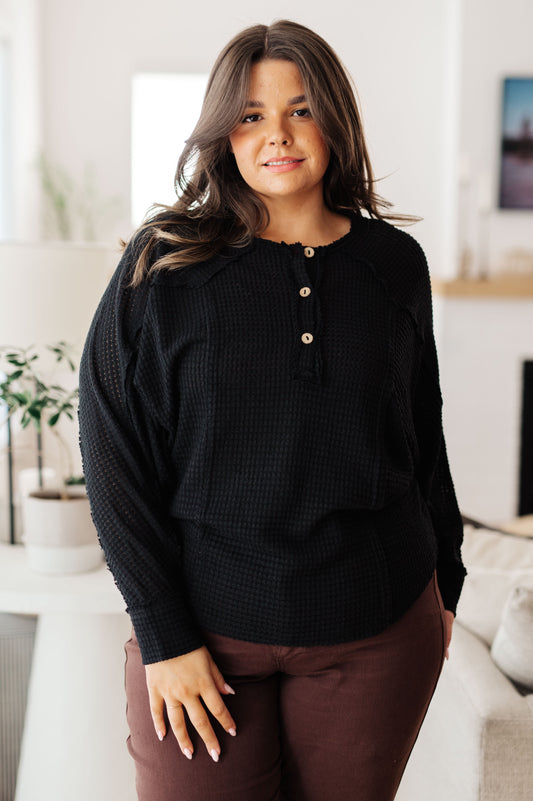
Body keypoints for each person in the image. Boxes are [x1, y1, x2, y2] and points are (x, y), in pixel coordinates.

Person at [78, 19, 466, 801]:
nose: (277, 135)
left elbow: (420, 431)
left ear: (334, 120)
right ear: (223, 132)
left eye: (299, 109)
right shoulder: (163, 264)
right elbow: (112, 451)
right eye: (251, 115)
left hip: (377, 627)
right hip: (204, 633)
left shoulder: (394, 264)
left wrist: (446, 581)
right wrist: (163, 633)